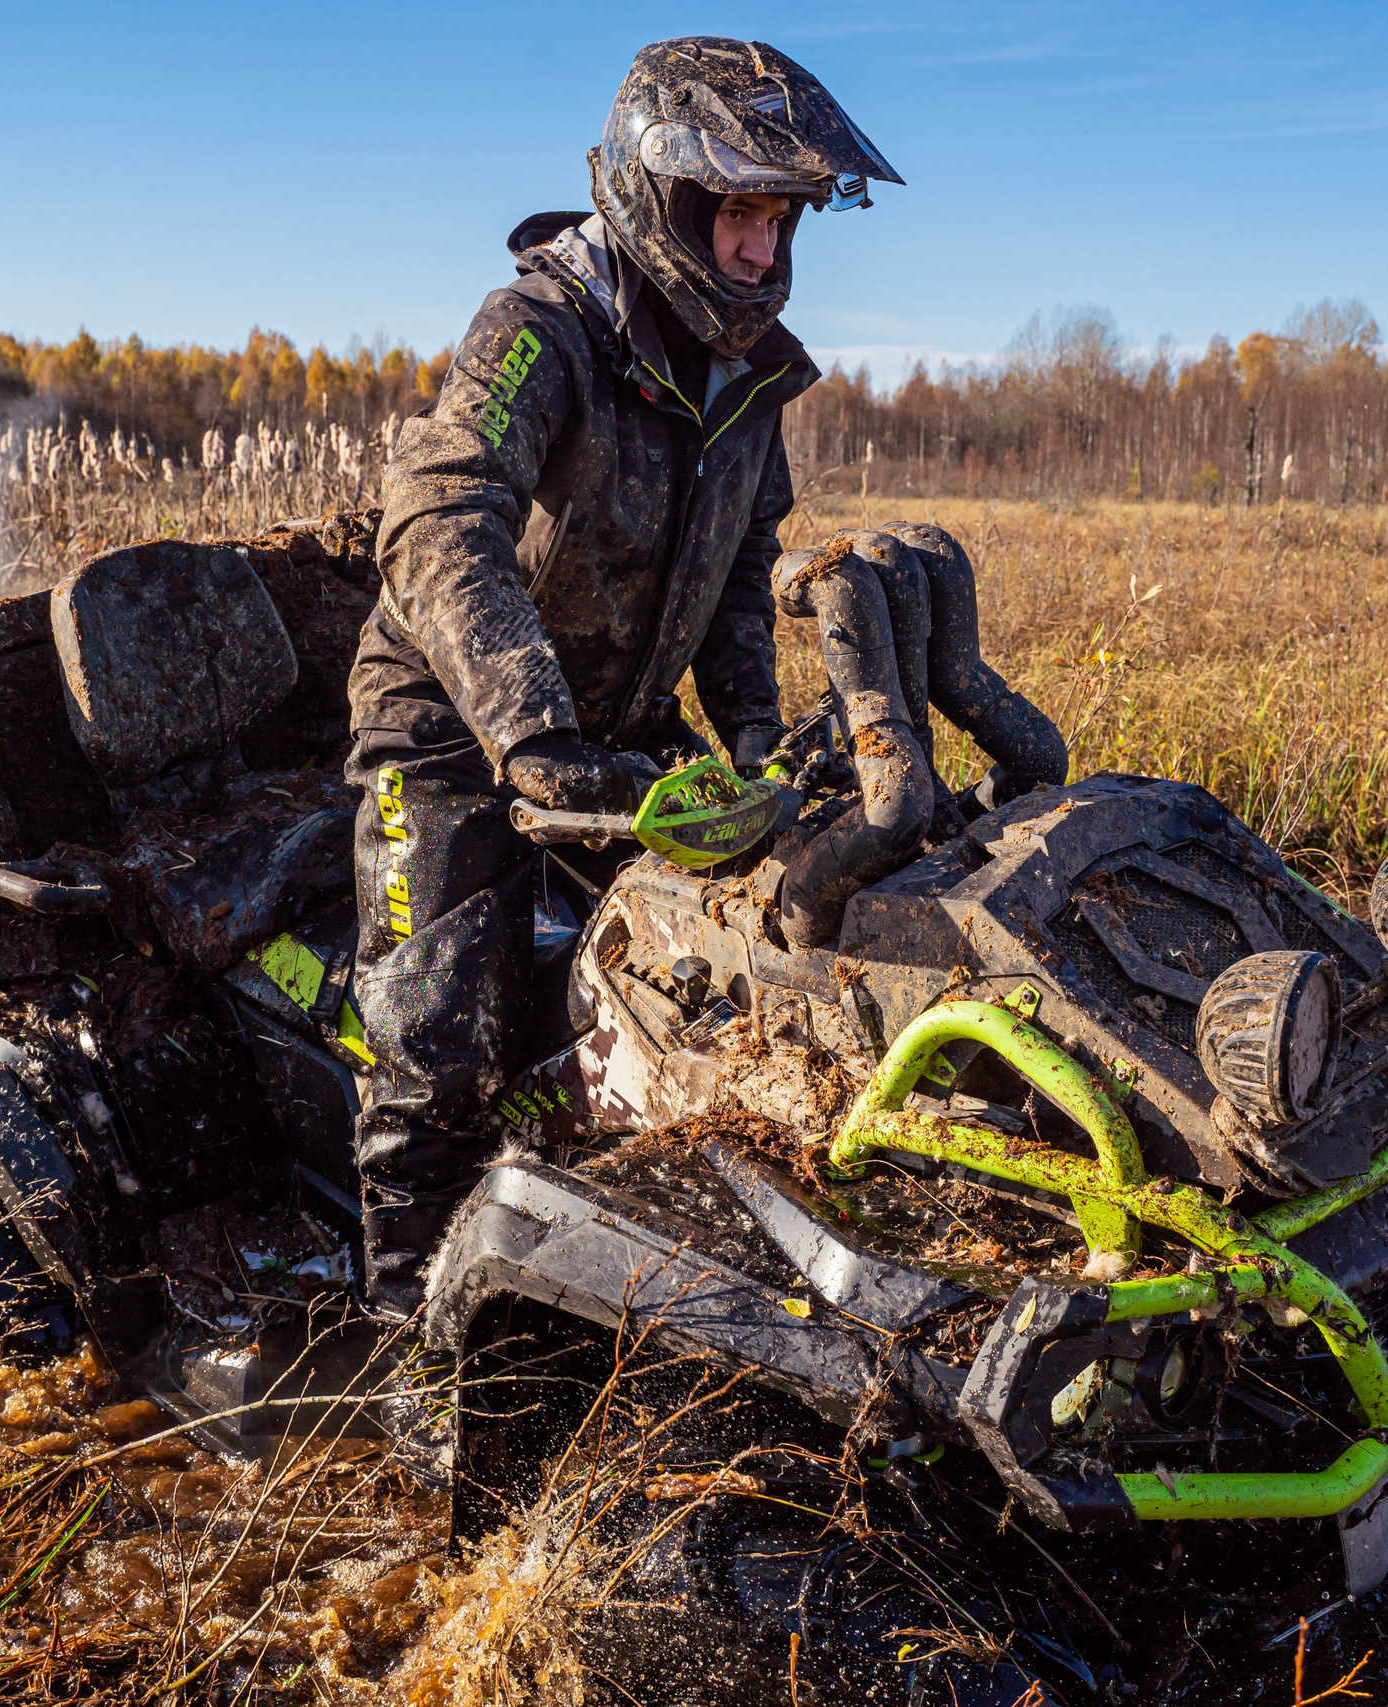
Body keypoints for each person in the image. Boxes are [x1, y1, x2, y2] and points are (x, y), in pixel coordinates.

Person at [343, 37, 901, 1315]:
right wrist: (529, 735)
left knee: (714, 991)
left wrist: (757, 739)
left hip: (623, 734)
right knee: (435, 1040)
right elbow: (438, 514)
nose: (762, 252)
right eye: (741, 217)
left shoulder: (755, 375)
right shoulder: (543, 328)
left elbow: (735, 566)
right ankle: (401, 1348)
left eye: (780, 221)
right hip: (444, 725)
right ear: (666, 196)